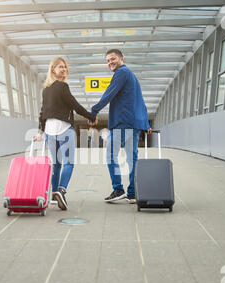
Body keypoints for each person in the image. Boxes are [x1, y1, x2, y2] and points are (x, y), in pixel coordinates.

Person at [89, 49, 152, 204]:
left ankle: (118, 189)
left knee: (110, 155)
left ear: (122, 58)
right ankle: (132, 193)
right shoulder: (131, 75)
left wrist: (94, 110)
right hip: (134, 123)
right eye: (108, 60)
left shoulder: (122, 73)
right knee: (132, 158)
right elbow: (141, 102)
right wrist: (146, 123)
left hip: (123, 122)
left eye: (113, 59)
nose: (110, 62)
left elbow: (109, 94)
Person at [35, 57, 96, 210]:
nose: (63, 69)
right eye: (60, 67)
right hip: (63, 128)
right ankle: (61, 190)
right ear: (53, 70)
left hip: (49, 130)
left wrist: (41, 131)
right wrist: (91, 116)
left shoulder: (46, 90)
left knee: (56, 164)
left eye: (65, 67)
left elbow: (43, 112)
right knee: (68, 163)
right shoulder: (62, 86)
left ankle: (54, 196)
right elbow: (74, 105)